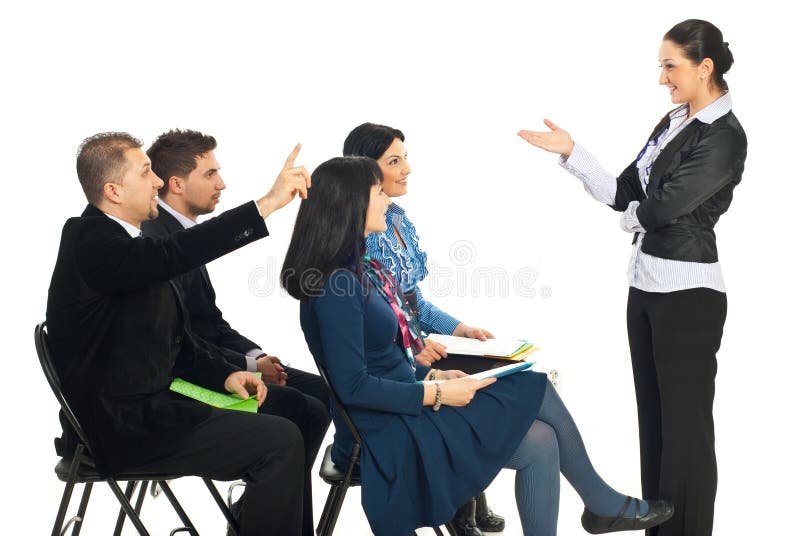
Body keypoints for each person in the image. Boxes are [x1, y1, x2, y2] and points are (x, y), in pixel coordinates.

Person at [281, 156, 673, 536]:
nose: (387, 200)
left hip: (406, 403)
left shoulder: (360, 269)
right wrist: (437, 393)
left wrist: (433, 375)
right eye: (378, 193)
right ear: (351, 205)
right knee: (535, 394)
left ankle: (601, 504)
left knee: (541, 434)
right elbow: (353, 386)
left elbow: (381, 357)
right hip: (386, 429)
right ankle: (602, 504)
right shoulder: (337, 285)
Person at [518, 19, 745, 536]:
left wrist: (634, 217)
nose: (662, 78)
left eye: (670, 66)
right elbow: (625, 192)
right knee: (655, 425)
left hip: (689, 295)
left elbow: (662, 209)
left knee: (686, 433)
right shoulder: (674, 121)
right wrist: (571, 152)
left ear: (704, 67)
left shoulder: (725, 136)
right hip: (645, 287)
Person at [46, 132, 312, 535]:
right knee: (279, 441)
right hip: (120, 428)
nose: (157, 181)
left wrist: (226, 374)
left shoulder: (128, 247)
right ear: (113, 191)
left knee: (290, 421)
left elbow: (175, 341)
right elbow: (175, 252)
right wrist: (268, 204)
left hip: (150, 412)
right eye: (146, 172)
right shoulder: (89, 239)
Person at [141, 129, 331, 534]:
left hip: (210, 361)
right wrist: (244, 368)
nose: (222, 183)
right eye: (210, 174)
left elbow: (210, 322)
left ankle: (259, 511)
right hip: (181, 382)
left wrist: (255, 358)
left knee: (323, 394)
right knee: (302, 410)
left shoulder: (179, 234)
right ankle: (267, 518)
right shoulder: (156, 241)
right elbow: (181, 340)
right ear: (177, 184)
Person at [343, 122, 503, 535]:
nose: (407, 169)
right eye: (394, 161)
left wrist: (459, 327)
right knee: (477, 381)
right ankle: (461, 506)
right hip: (397, 355)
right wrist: (414, 346)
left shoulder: (396, 218)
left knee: (493, 365)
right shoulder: (364, 234)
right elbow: (381, 316)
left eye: (405, 158)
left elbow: (412, 299)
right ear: (365, 172)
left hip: (415, 342)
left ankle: (472, 491)